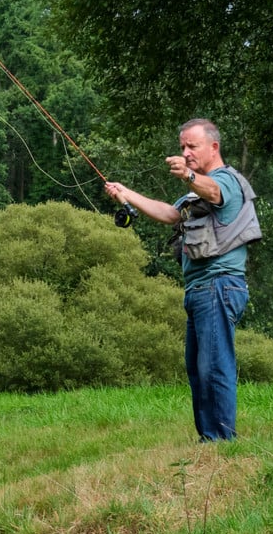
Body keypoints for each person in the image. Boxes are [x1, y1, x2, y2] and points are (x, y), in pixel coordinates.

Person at [104, 119, 260, 441]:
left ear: (213, 147)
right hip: (199, 290)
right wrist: (125, 194)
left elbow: (214, 192)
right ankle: (209, 440)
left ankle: (221, 442)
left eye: (192, 147)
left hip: (219, 285)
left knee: (214, 367)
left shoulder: (226, 180)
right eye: (182, 148)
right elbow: (169, 214)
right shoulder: (194, 193)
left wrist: (189, 175)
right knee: (198, 370)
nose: (186, 152)